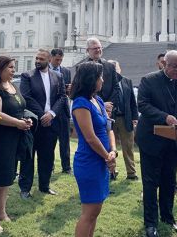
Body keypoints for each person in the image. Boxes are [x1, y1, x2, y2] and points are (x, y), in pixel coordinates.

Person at [137, 50, 177, 237]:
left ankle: (168, 218)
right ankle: (150, 223)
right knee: (150, 182)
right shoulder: (149, 80)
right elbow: (143, 105)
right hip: (151, 140)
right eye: (174, 66)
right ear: (164, 64)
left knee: (169, 182)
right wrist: (165, 117)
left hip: (172, 142)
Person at [0, 56, 32, 233]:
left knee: (7, 176)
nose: (13, 70)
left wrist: (24, 120)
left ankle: (1, 211)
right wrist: (17, 123)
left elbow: (18, 108)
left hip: (14, 137)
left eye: (13, 67)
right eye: (10, 67)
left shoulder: (12, 85)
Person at [70, 61, 117, 237]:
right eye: (100, 77)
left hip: (102, 160)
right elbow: (90, 137)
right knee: (89, 212)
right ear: (91, 79)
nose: (103, 80)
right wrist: (108, 157)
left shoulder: (97, 99)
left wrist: (113, 151)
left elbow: (108, 128)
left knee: (95, 210)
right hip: (89, 162)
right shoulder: (81, 103)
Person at [19, 49, 66, 198]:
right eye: (36, 58)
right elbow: (27, 98)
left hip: (51, 124)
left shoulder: (58, 76)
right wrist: (42, 115)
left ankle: (44, 186)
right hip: (33, 123)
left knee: (47, 157)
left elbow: (62, 97)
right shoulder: (28, 76)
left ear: (49, 59)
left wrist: (51, 114)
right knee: (29, 157)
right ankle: (25, 189)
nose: (38, 61)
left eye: (41, 59)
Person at [108, 60, 139, 180]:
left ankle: (131, 173)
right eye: (112, 68)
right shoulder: (106, 82)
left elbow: (132, 101)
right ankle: (111, 171)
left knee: (128, 146)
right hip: (111, 118)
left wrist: (135, 117)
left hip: (126, 118)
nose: (115, 70)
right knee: (110, 146)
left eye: (116, 67)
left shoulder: (127, 81)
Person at [76, 38, 120, 119]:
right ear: (87, 50)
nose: (98, 50)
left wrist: (110, 106)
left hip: (109, 111)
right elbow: (82, 90)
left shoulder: (110, 66)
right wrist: (102, 105)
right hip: (90, 110)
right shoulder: (81, 67)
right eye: (95, 48)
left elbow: (116, 88)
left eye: (99, 47)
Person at [50, 48, 72, 174]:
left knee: (65, 140)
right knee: (50, 141)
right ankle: (50, 165)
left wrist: (69, 89)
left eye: (61, 60)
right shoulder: (46, 71)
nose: (58, 62)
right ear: (51, 58)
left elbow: (68, 93)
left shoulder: (66, 72)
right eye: (57, 59)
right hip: (50, 110)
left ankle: (66, 167)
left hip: (63, 110)